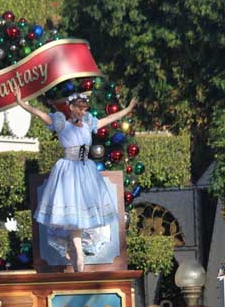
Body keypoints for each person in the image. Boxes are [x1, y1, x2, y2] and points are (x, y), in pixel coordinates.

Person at [14, 86, 137, 272]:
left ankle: (75, 252)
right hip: (68, 171)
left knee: (82, 215)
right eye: (79, 108)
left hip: (86, 169)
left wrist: (127, 110)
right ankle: (77, 253)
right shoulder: (62, 123)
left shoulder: (88, 123)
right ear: (71, 107)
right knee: (72, 216)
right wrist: (21, 103)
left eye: (84, 108)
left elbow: (109, 119)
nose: (82, 111)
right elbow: (41, 114)